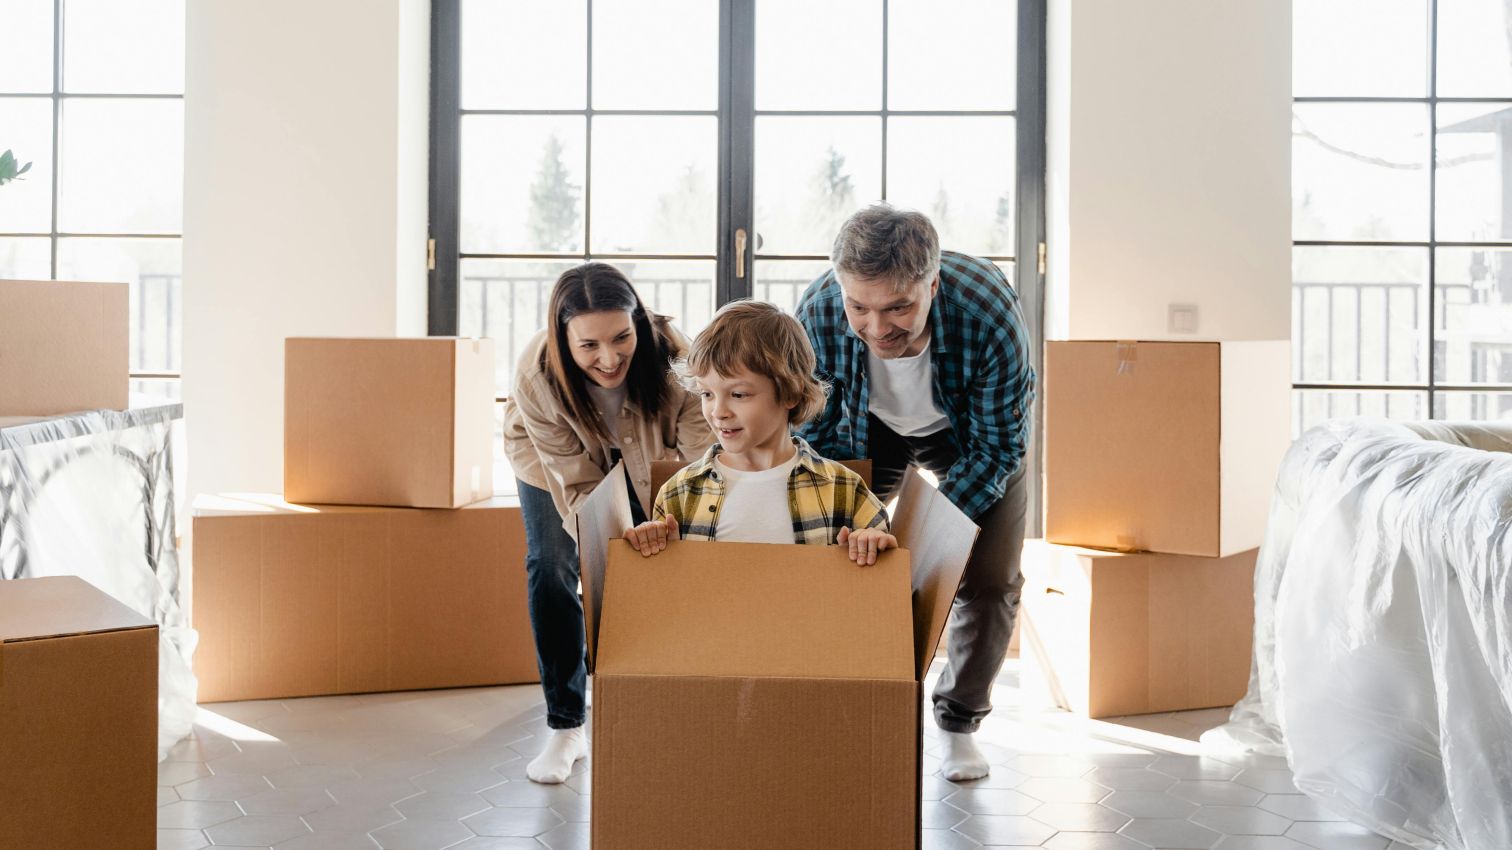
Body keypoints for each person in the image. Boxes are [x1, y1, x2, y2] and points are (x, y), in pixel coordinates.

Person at [793, 204, 1035, 781]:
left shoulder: (988, 311)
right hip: (866, 429)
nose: (878, 328)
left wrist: (924, 544)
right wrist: (847, 521)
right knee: (832, 557)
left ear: (933, 284)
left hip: (970, 436)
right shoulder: (818, 310)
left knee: (989, 578)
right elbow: (814, 432)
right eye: (860, 307)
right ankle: (843, 706)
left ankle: (958, 723)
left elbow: (998, 447)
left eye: (898, 307)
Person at [502, 262, 713, 784]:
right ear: (563, 339)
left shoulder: (679, 359)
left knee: (658, 557)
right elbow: (576, 485)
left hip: (650, 453)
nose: (610, 358)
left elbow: (700, 461)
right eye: (589, 345)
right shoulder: (535, 376)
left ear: (637, 321)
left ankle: (652, 691)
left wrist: (665, 523)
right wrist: (612, 534)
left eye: (622, 338)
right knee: (552, 563)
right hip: (552, 461)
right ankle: (566, 724)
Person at [623, 300, 896, 564]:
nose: (718, 411)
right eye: (707, 394)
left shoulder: (843, 488)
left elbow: (884, 558)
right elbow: (665, 584)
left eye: (738, 394)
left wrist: (873, 542)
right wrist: (654, 547)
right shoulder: (679, 492)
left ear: (790, 393)